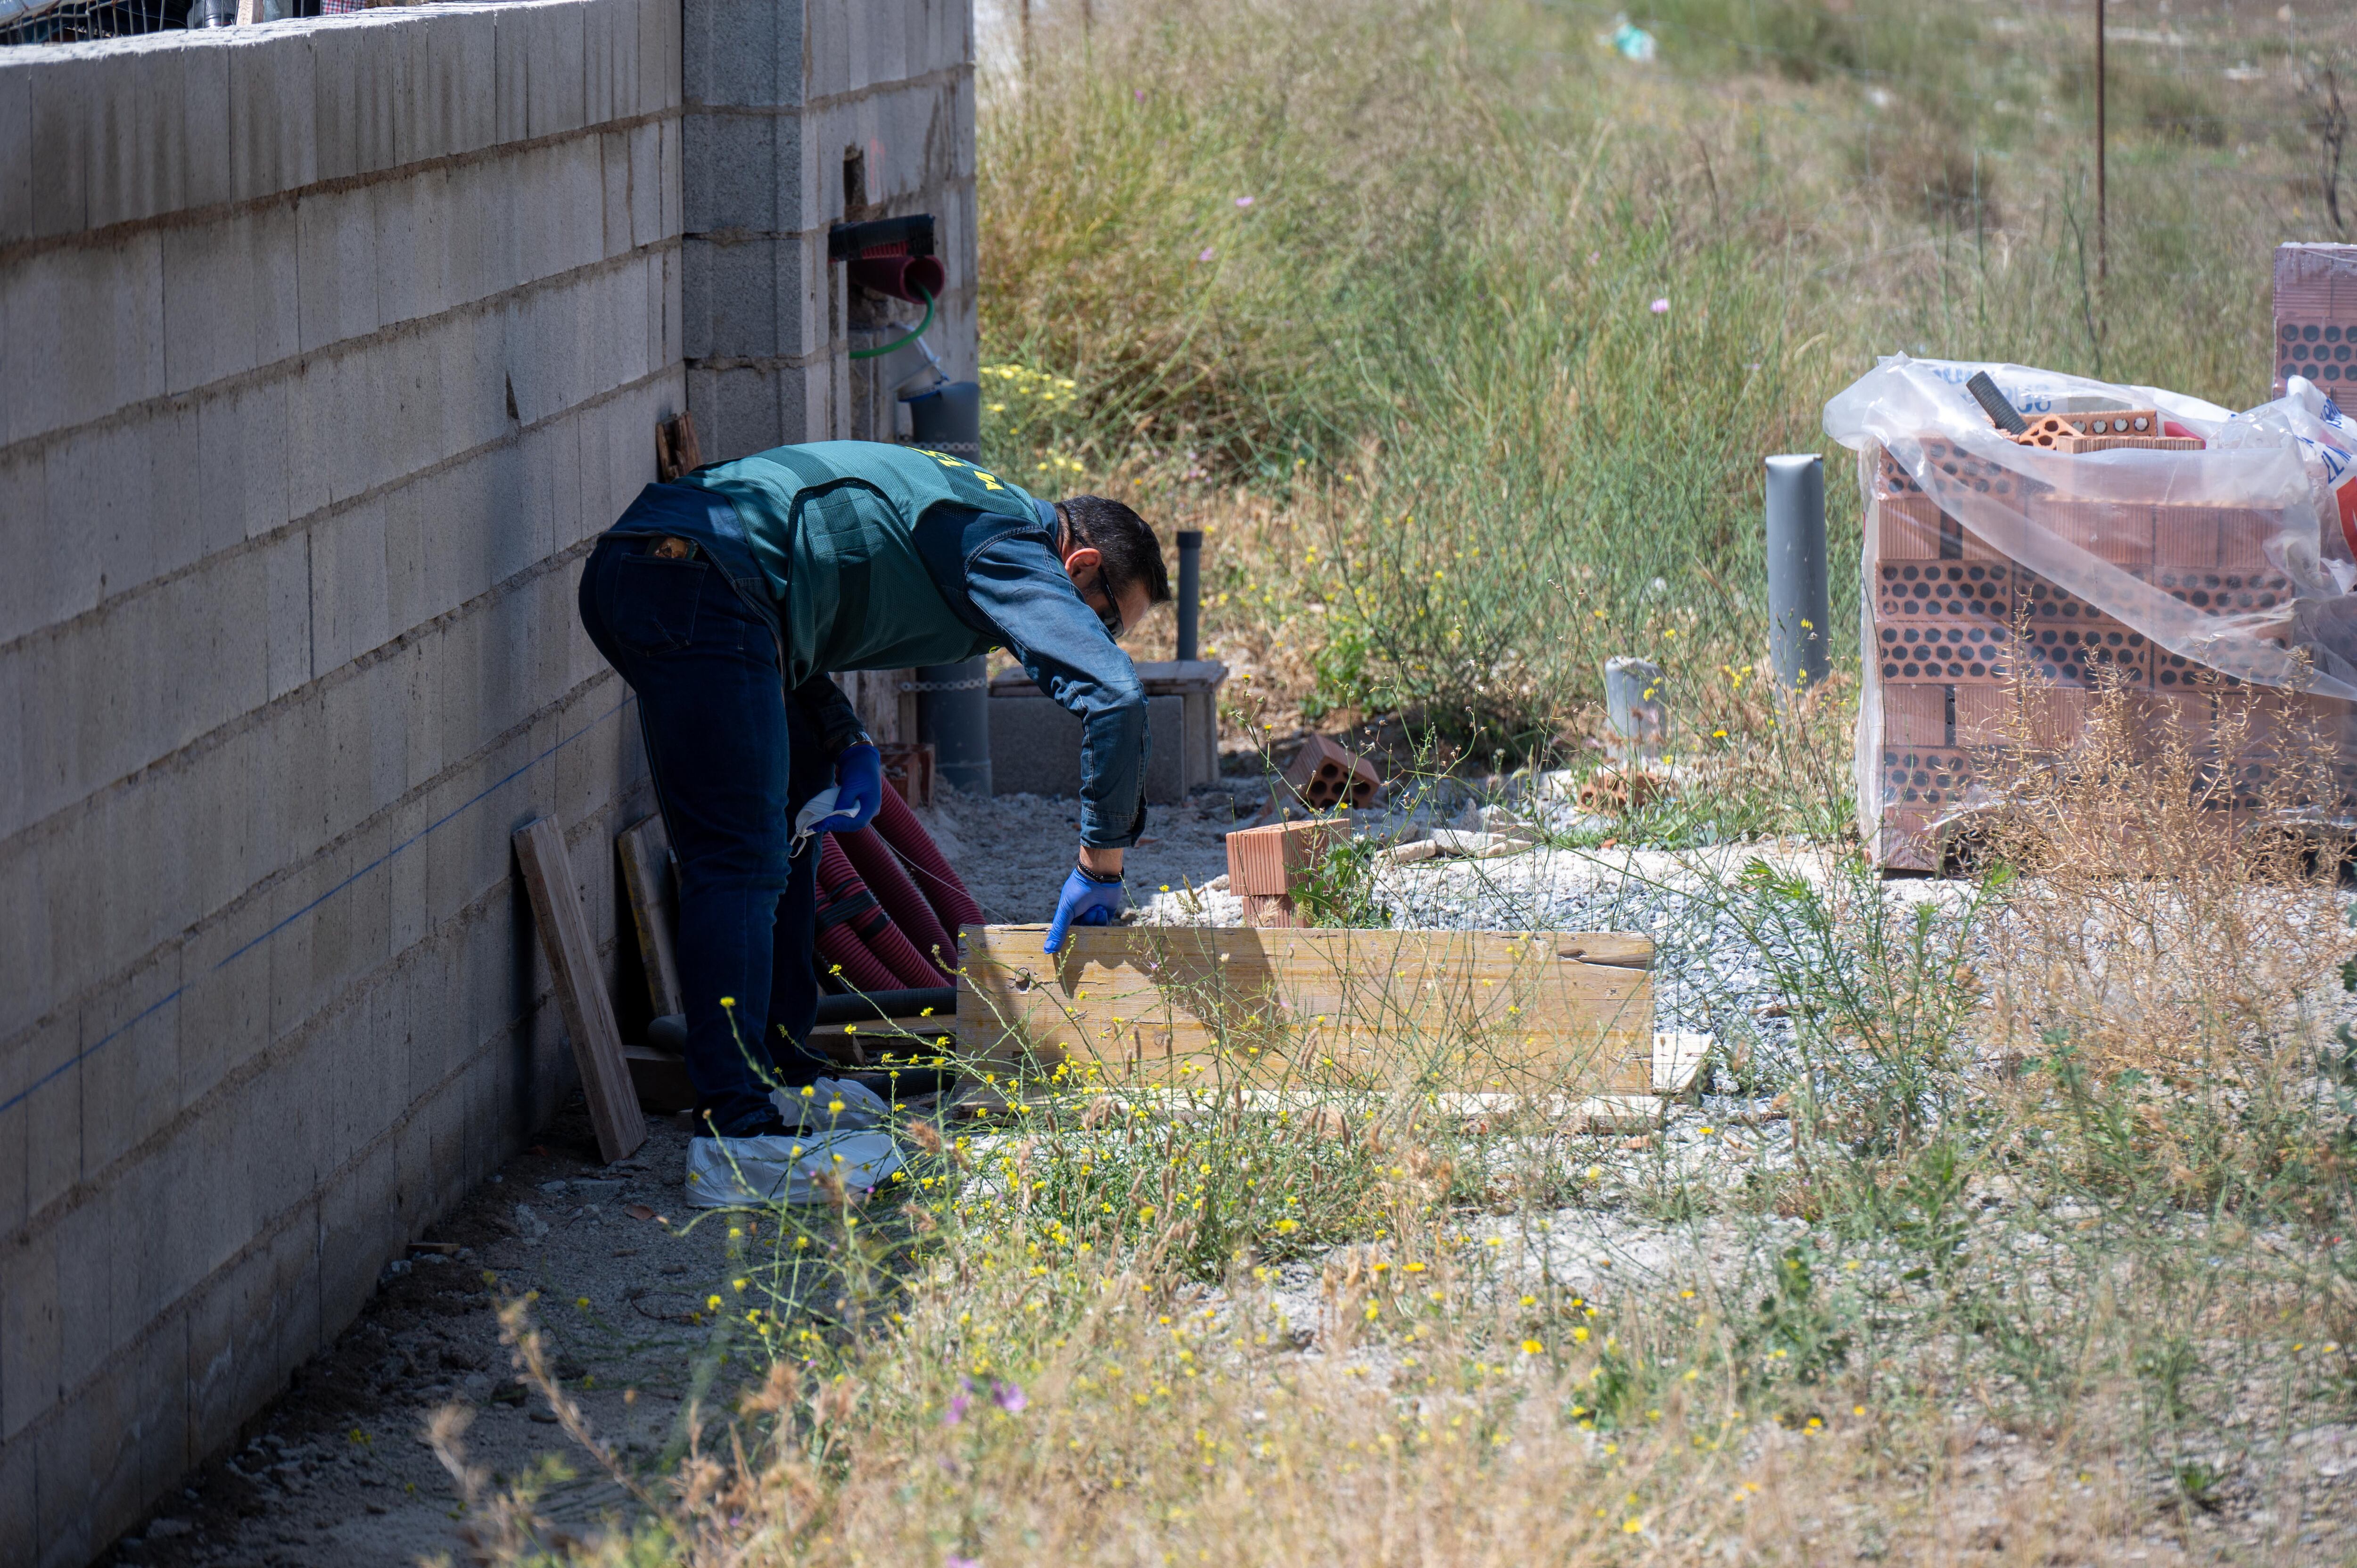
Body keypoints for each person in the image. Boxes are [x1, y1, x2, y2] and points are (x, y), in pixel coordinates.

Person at [577, 440, 1170, 1139]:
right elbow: (1113, 697)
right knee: (739, 861)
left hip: (695, 574)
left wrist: (843, 735)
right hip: (695, 577)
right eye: (1105, 621)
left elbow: (792, 585)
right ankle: (736, 1129)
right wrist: (1100, 865)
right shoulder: (1007, 541)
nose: (1098, 639)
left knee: (797, 815)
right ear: (1082, 565)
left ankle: (780, 1069)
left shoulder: (982, 507)